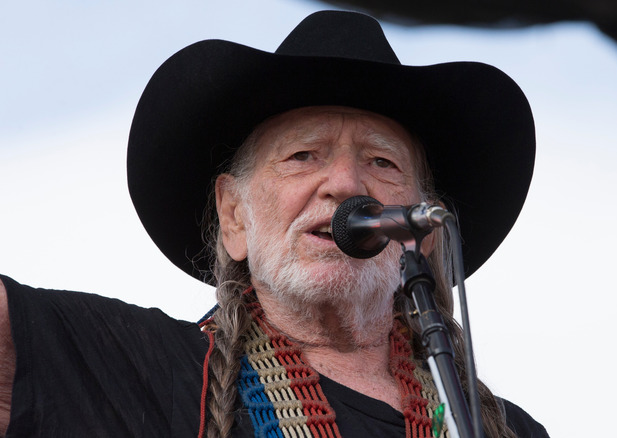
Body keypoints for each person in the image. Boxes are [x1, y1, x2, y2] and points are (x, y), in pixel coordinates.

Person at [0, 10, 546, 438]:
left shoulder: (506, 429)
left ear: (422, 237)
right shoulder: (151, 371)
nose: (346, 184)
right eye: (304, 155)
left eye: (382, 162)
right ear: (234, 216)